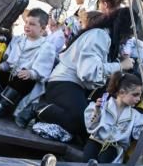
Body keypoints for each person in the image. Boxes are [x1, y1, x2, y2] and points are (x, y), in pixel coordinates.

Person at [34, 7, 137, 143]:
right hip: (64, 83)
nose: (127, 40)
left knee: (92, 122)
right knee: (82, 121)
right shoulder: (99, 36)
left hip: (79, 88)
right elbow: (89, 72)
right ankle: (39, 109)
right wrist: (120, 66)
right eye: (128, 35)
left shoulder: (106, 38)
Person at [0, 9, 57, 117]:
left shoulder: (47, 47)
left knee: (23, 76)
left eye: (32, 24)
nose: (27, 26)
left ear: (42, 29)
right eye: (26, 22)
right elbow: (9, 63)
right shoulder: (18, 40)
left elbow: (42, 72)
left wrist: (32, 73)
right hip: (11, 77)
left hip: (25, 84)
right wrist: (0, 67)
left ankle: (3, 105)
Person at [83, 72, 143, 163]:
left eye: (139, 95)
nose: (138, 99)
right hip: (95, 141)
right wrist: (97, 111)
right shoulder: (103, 106)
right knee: (87, 159)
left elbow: (137, 135)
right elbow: (90, 126)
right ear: (122, 92)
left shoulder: (136, 116)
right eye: (135, 95)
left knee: (105, 159)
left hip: (114, 148)